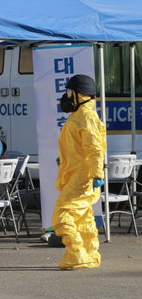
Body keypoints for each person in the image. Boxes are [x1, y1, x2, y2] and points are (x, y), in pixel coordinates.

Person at [53, 74, 105, 270]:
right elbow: (78, 146)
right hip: (79, 174)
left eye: (69, 93)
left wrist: (97, 174)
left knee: (62, 213)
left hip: (84, 176)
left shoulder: (86, 116)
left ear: (79, 94)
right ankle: (89, 254)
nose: (66, 98)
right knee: (82, 217)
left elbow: (95, 148)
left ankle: (77, 253)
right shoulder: (79, 115)